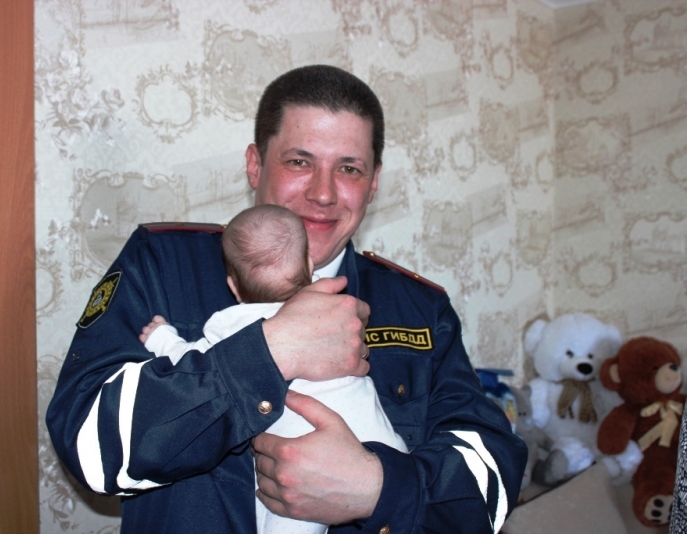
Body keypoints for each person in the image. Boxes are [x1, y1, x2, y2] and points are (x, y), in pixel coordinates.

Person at [46, 64, 527, 533]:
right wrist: (272, 350)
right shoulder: (163, 266)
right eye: (300, 162)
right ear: (255, 165)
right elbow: (86, 444)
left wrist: (378, 488)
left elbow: (494, 481)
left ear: (374, 182)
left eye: (349, 168)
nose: (323, 193)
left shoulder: (419, 309)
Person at [140, 203, 408, 534]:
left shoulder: (232, 324)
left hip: (304, 462)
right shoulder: (334, 306)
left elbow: (194, 365)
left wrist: (162, 338)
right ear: (309, 265)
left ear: (233, 286)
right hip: (381, 447)